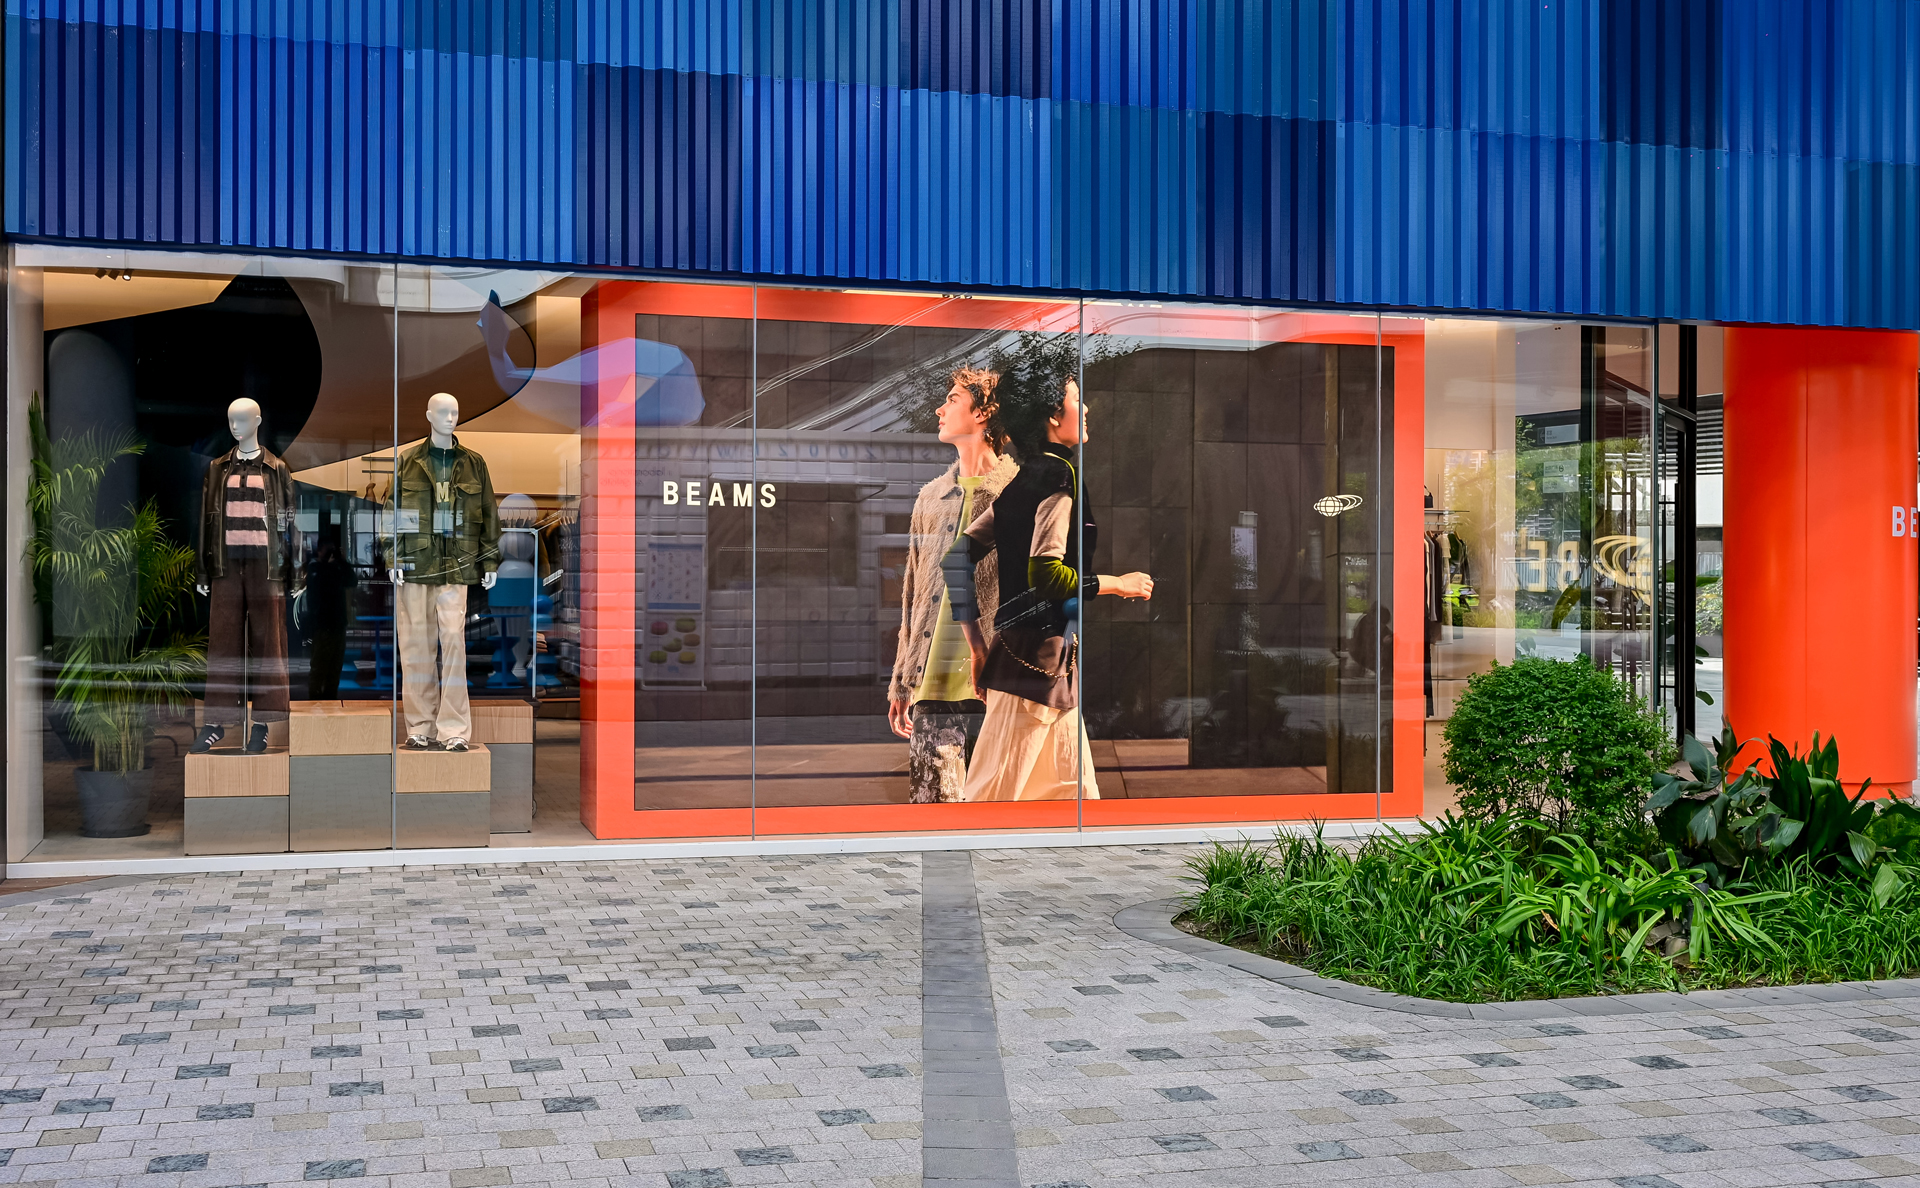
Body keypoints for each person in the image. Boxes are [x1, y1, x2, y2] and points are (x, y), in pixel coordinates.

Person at [943, 367, 1152, 801]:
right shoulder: (1057, 477)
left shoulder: (1022, 482)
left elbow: (957, 560)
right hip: (1033, 666)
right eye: (1077, 399)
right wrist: (1118, 583)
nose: (1086, 407)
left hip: (1044, 665)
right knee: (994, 799)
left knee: (1073, 797)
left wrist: (979, 648)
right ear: (1053, 416)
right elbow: (1046, 574)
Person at [888, 369, 1019, 803]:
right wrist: (902, 680)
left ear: (984, 412)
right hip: (932, 683)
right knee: (933, 814)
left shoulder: (1019, 493)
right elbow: (911, 595)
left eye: (953, 399)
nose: (939, 409)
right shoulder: (930, 497)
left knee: (995, 817)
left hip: (998, 686)